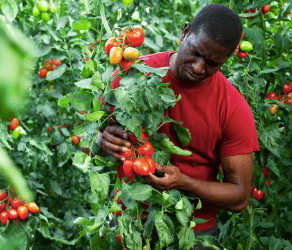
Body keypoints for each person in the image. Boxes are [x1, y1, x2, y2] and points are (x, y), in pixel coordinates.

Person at [95, 4, 260, 250]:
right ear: (184, 33)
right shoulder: (132, 75)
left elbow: (239, 197)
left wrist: (184, 182)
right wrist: (101, 141)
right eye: (195, 53)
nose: (198, 68)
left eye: (213, 64)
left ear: (227, 59)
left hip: (192, 233)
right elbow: (94, 147)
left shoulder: (233, 107)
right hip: (128, 221)